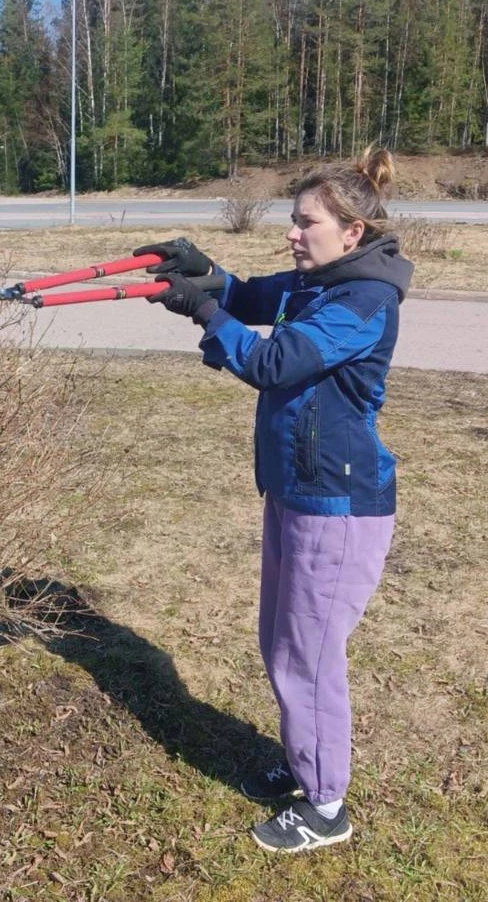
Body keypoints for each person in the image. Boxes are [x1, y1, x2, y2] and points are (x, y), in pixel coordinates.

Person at [136, 148, 413, 853]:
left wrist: (204, 312)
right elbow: (252, 296)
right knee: (281, 641)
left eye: (305, 223)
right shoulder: (317, 283)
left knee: (309, 655)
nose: (292, 234)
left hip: (338, 504)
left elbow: (272, 362)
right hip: (294, 490)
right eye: (292, 221)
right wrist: (206, 275)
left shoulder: (363, 301)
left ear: (351, 232)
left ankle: (326, 808)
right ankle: (304, 763)